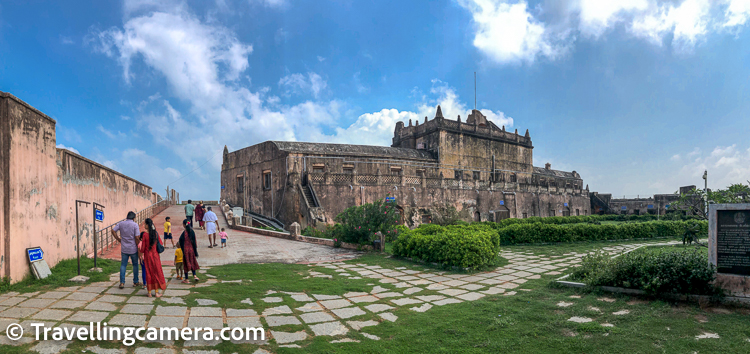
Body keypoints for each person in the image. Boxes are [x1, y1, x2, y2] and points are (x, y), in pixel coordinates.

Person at [111, 211, 141, 289]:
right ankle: (135, 281)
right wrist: (138, 247)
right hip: (133, 248)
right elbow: (137, 237)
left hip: (124, 248)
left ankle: (122, 282)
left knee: (123, 265)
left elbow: (113, 230)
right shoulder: (135, 225)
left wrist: (118, 239)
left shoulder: (121, 224)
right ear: (134, 218)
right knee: (135, 264)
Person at [139, 218, 166, 297]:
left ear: (147, 225)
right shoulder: (155, 233)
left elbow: (143, 248)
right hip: (155, 255)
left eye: (145, 224)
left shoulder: (144, 235)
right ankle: (157, 292)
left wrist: (140, 255)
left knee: (148, 272)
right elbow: (160, 243)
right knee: (156, 272)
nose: (144, 225)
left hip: (147, 256)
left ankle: (149, 292)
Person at [178, 219, 200, 283]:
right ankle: (195, 275)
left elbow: (180, 241)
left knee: (186, 263)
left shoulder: (184, 233)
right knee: (192, 262)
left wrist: (182, 248)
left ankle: (186, 279)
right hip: (191, 250)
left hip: (185, 250)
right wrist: (195, 251)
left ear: (184, 225)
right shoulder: (192, 232)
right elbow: (194, 242)